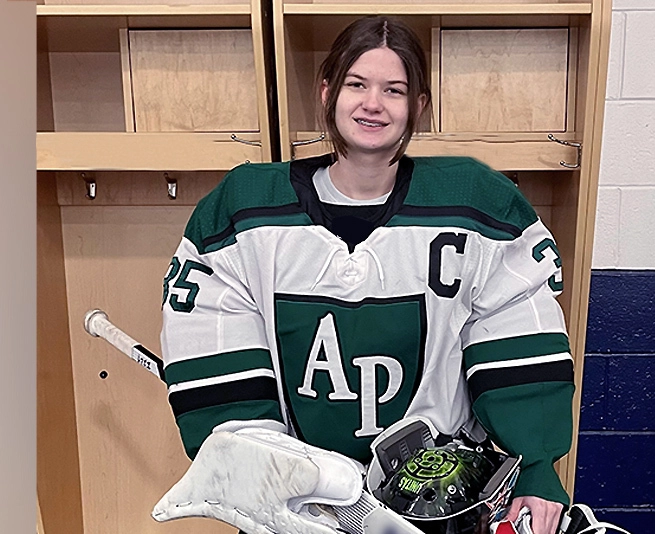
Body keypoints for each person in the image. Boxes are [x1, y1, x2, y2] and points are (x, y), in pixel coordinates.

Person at [161, 15, 574, 534]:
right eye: (357, 84)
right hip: (300, 513)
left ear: (418, 106)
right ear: (328, 91)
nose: (372, 103)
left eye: (394, 89)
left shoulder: (479, 206)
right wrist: (265, 479)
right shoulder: (243, 211)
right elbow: (215, 359)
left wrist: (536, 467)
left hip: (438, 506)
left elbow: (518, 339)